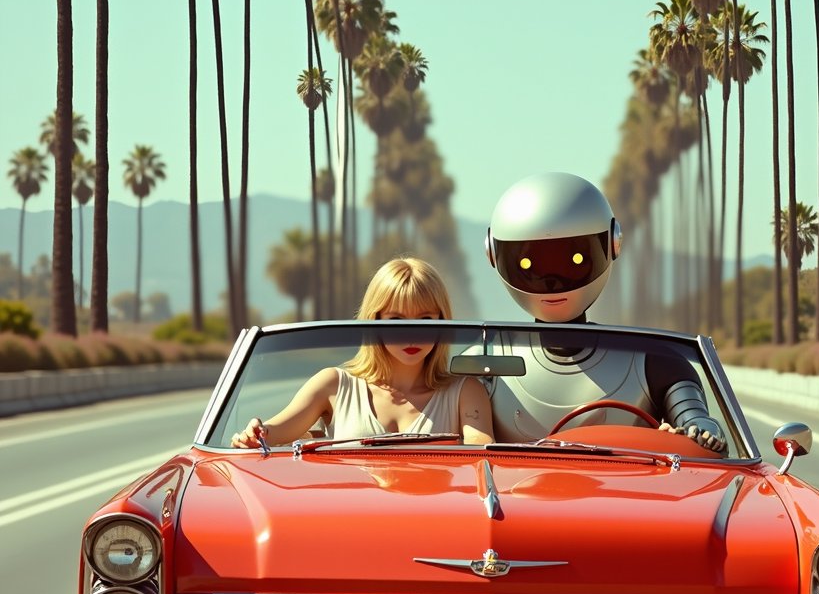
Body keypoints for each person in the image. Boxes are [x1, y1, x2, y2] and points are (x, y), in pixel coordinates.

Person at [481, 171, 727, 451]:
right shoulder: (480, 364)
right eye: (529, 264)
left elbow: (699, 426)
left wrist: (701, 431)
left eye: (574, 259)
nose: (552, 280)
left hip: (625, 493)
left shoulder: (656, 362)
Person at [231, 257, 493, 449]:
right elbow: (275, 430)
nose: (412, 333)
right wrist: (256, 433)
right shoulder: (333, 384)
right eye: (396, 321)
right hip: (349, 522)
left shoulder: (466, 391)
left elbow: (482, 454)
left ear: (442, 322)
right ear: (374, 320)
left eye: (425, 319)